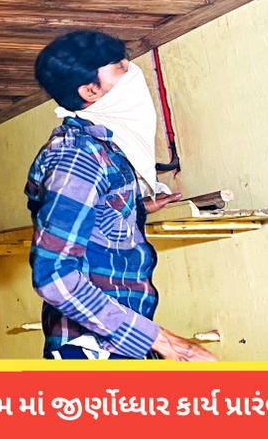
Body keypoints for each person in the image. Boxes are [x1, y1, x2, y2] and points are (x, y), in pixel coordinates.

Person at [25, 29, 217, 361]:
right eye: (120, 68)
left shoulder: (103, 148)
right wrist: (166, 342)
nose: (133, 73)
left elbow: (92, 216)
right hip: (91, 350)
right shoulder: (78, 157)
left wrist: (134, 207)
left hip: (117, 343)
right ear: (89, 90)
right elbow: (54, 275)